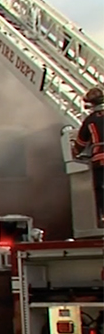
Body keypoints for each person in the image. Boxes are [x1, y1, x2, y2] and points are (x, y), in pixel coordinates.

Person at [72, 86, 104, 228]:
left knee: (100, 189)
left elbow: (80, 143)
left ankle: (102, 216)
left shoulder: (90, 121)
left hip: (100, 160)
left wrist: (75, 152)